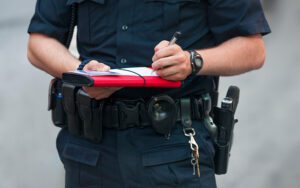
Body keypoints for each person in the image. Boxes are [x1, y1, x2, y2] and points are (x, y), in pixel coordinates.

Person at [27, 0, 270, 187]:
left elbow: (252, 49)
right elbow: (39, 42)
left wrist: (192, 61)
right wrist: (80, 72)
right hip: (90, 151)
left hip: (173, 150)